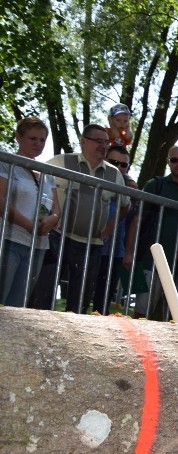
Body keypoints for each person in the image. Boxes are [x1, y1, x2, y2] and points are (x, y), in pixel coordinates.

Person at [30, 124, 129, 313]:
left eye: (106, 142)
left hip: (92, 245)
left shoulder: (114, 174)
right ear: (83, 142)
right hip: (56, 238)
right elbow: (37, 182)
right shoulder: (60, 162)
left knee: (80, 305)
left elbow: (126, 205)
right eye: (98, 141)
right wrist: (45, 216)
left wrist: (109, 227)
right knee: (42, 298)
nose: (103, 145)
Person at [124, 145, 178, 320]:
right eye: (174, 160)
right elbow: (137, 219)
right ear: (168, 162)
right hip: (150, 262)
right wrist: (128, 253)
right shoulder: (155, 185)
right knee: (141, 313)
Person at [0, 117, 60, 307]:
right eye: (33, 138)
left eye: (42, 140)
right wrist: (28, 225)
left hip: (38, 246)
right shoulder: (6, 162)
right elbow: (0, 200)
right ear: (18, 137)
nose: (38, 144)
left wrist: (54, 218)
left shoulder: (46, 172)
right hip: (9, 241)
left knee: (18, 305)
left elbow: (57, 207)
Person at [93, 146, 135, 314]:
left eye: (124, 165)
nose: (118, 168)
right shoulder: (93, 178)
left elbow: (134, 222)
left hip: (116, 251)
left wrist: (128, 253)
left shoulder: (131, 189)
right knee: (80, 294)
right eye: (113, 162)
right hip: (90, 245)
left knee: (103, 301)